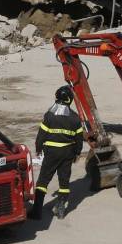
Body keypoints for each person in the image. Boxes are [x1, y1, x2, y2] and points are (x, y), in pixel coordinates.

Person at [30, 85, 84, 221]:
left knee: (43, 181)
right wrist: (77, 153)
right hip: (68, 153)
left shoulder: (49, 115)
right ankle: (60, 210)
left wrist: (38, 149)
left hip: (51, 153)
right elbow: (79, 138)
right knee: (64, 182)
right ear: (69, 100)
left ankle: (36, 212)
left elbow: (41, 135)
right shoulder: (75, 118)